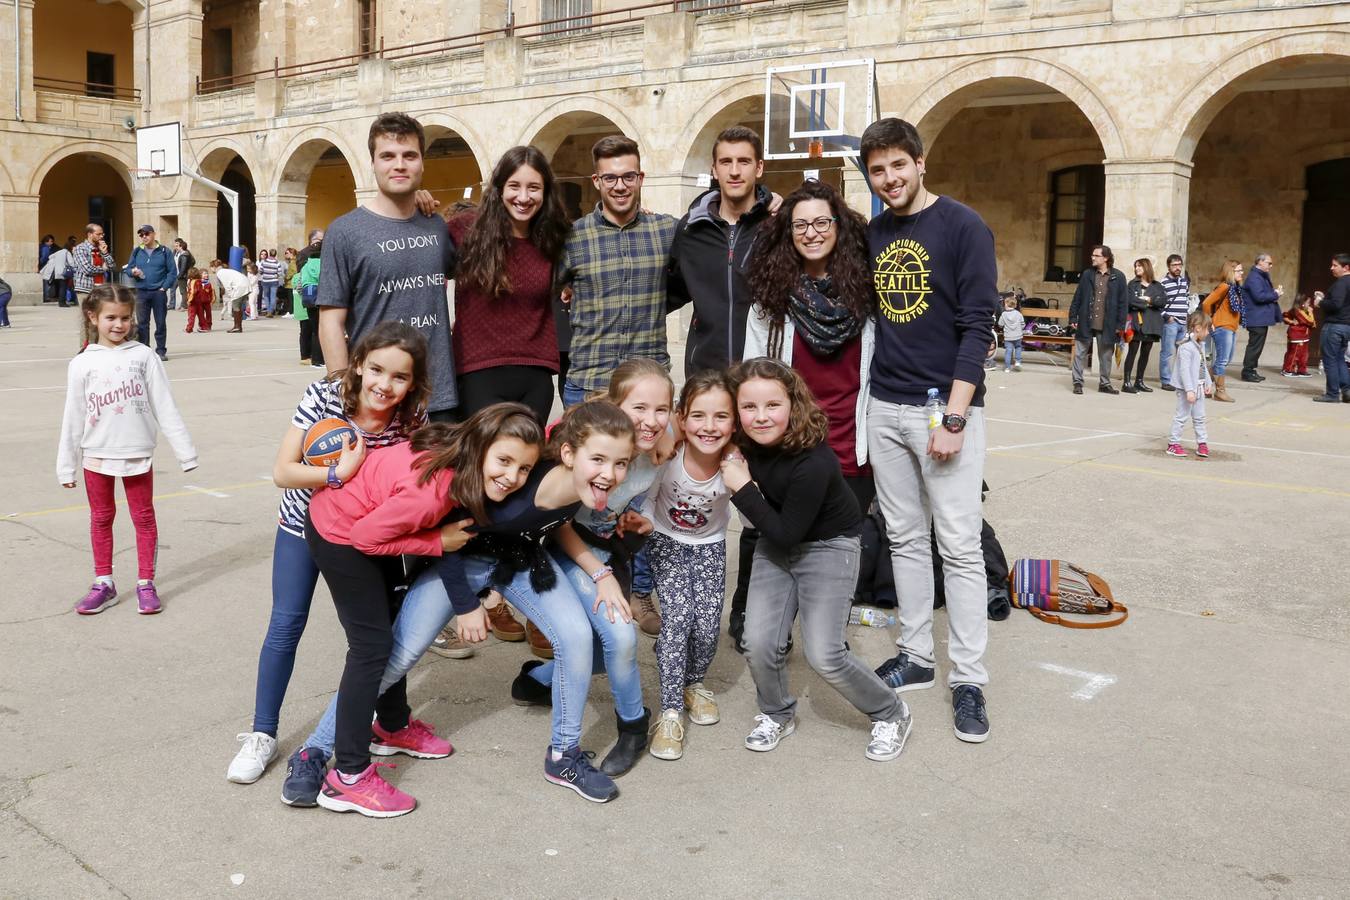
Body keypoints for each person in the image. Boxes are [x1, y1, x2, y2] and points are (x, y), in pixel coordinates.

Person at [285, 400, 637, 808]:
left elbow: (556, 521)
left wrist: (601, 571)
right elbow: (440, 533)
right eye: (599, 460)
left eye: (621, 464)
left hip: (516, 561)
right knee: (396, 656)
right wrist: (467, 603)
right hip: (454, 559)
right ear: (569, 454)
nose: (609, 474)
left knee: (576, 635)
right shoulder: (488, 477)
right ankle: (312, 752)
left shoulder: (582, 482)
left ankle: (565, 755)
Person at [226, 322, 433, 787]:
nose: (384, 384)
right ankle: (262, 733)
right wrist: (339, 472)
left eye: (399, 377)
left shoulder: (411, 416)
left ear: (412, 384)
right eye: (377, 369)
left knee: (379, 631)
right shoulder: (326, 396)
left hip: (362, 537)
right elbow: (283, 472)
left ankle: (391, 724)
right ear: (359, 363)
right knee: (286, 623)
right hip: (302, 526)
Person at [305, 406, 522, 818]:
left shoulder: (457, 460)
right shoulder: (433, 494)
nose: (512, 477)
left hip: (365, 519)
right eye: (504, 461)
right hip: (340, 534)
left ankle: (391, 725)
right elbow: (365, 538)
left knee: (392, 626)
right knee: (371, 649)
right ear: (478, 450)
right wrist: (436, 540)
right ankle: (347, 777)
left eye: (523, 468)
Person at [859, 117, 996, 744]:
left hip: (944, 407)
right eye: (877, 170)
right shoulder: (876, 231)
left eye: (897, 166)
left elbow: (977, 326)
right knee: (905, 538)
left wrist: (956, 416)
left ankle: (968, 678)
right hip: (885, 406)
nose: (888, 180)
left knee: (960, 546)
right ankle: (916, 654)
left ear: (920, 163)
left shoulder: (964, 226)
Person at [722, 358, 913, 761]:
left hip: (829, 544)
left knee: (824, 653)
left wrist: (742, 488)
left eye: (772, 405)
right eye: (748, 407)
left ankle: (891, 712)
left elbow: (785, 532)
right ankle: (777, 712)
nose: (760, 417)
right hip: (779, 541)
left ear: (793, 404)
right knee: (757, 642)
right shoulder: (741, 444)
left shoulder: (814, 461)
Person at [502, 359, 673, 776]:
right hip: (571, 547)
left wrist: (636, 525)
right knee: (620, 638)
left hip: (612, 550)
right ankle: (633, 725)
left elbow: (699, 424)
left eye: (662, 410)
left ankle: (540, 678)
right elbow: (559, 523)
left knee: (603, 651)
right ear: (616, 407)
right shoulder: (595, 447)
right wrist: (601, 574)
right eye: (639, 408)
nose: (651, 421)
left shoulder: (658, 444)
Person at [742, 178, 877, 651]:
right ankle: (769, 633)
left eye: (822, 221)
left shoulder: (865, 294)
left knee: (835, 546)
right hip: (792, 448)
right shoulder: (771, 300)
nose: (812, 232)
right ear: (788, 233)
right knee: (782, 539)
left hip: (850, 444)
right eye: (801, 224)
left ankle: (825, 635)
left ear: (837, 226)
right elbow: (752, 375)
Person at [667, 126, 776, 654]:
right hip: (707, 381)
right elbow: (663, 289)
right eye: (725, 161)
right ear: (714, 168)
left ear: (759, 168)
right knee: (700, 498)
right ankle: (685, 604)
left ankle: (746, 610)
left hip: (761, 385)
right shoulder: (692, 229)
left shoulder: (776, 225)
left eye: (744, 161)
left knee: (757, 500)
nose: (734, 170)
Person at [57, 284, 197, 616]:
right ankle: (103, 583)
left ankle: (146, 583)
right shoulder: (81, 363)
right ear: (93, 317)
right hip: (96, 455)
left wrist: (185, 451)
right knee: (101, 518)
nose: (118, 325)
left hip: (136, 453)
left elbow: (165, 406)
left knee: (144, 517)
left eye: (125, 318)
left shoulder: (143, 356)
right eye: (110, 318)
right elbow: (73, 416)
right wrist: (67, 465)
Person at [319, 113, 459, 421]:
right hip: (376, 398)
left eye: (409, 155)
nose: (399, 164)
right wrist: (342, 388)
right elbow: (331, 319)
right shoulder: (344, 232)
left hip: (439, 397)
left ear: (422, 163)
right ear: (373, 163)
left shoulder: (435, 225)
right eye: (388, 156)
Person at [643, 371, 736, 762]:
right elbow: (646, 497)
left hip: (711, 545)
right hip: (667, 539)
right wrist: (644, 526)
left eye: (721, 417)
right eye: (698, 415)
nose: (709, 427)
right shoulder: (670, 455)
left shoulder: (736, 464)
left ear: (734, 422)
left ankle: (693, 683)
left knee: (709, 621)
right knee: (678, 619)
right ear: (681, 418)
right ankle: (668, 710)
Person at [448, 145, 570, 425]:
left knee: (527, 462)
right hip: (478, 372)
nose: (524, 197)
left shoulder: (555, 238)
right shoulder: (465, 231)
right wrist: (416, 201)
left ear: (546, 192)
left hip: (536, 376)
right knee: (484, 462)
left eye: (534, 188)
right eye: (514, 186)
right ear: (499, 188)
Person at [1068, 245, 1129, 395]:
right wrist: (1073, 317)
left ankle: (1105, 384)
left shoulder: (1118, 276)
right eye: (1092, 255)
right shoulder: (1087, 274)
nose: (1092, 258)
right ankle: (1077, 382)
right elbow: (1078, 297)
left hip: (1108, 323)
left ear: (1106, 258)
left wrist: (1120, 325)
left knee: (1106, 355)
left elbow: (1123, 303)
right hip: (1086, 320)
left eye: (1096, 255)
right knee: (1080, 353)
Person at [1166, 311, 1215, 459]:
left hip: (1198, 387)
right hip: (1188, 389)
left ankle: (1202, 443)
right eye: (1207, 328)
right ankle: (1173, 444)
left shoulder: (1199, 346)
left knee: (1200, 417)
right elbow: (1184, 371)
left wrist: (1208, 382)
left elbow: (1203, 366)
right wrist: (1189, 390)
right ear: (1198, 328)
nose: (1208, 332)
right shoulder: (1186, 347)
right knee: (1181, 416)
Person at [123, 225, 177, 361]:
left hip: (158, 292)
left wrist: (164, 287)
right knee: (142, 323)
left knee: (160, 322)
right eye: (141, 235)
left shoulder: (165, 251)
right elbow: (128, 268)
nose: (144, 237)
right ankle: (144, 350)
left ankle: (160, 350)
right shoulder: (137, 251)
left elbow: (172, 272)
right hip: (141, 291)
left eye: (146, 234)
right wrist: (132, 272)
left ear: (153, 234)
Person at [1200, 259, 1244, 403]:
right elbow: (1206, 303)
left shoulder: (1235, 288)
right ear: (1231, 271)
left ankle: (1202, 385)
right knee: (1222, 360)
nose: (1242, 273)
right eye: (1239, 270)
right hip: (1221, 326)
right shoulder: (1225, 287)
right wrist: (1210, 321)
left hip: (1230, 327)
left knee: (1226, 359)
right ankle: (1220, 391)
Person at [1121, 257, 1167, 393]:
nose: (1137, 269)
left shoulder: (1157, 285)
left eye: (1139, 266)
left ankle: (1139, 381)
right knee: (1132, 352)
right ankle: (1126, 382)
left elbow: (1163, 301)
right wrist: (1147, 303)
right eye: (1135, 266)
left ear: (1147, 267)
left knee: (1145, 353)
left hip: (1151, 324)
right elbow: (1130, 301)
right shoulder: (1132, 284)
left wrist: (1150, 300)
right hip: (1136, 323)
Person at [1312, 252, 1350, 403]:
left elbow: (1336, 304)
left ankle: (1332, 394)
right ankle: (1347, 391)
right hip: (1346, 327)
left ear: (1346, 267)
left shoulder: (1341, 283)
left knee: (1330, 361)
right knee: (1339, 359)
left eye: (1335, 265)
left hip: (1334, 327)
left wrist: (1320, 302)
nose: (1331, 268)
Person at [1240, 253, 1283, 383]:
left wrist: (1274, 294)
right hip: (1256, 318)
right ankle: (1247, 371)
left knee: (1257, 346)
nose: (1271, 265)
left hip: (1260, 318)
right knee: (1254, 346)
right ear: (1260, 262)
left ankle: (1251, 370)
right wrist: (1275, 294)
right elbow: (1259, 297)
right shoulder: (1254, 277)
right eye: (1269, 263)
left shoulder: (1260, 276)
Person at [1158, 254, 1191, 389]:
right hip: (1171, 322)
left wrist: (1187, 312)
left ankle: (1179, 379)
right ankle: (1166, 380)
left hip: (1183, 322)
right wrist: (1167, 317)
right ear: (1169, 266)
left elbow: (1186, 298)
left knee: (1183, 353)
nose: (1177, 268)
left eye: (1179, 265)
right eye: (1174, 265)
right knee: (1167, 352)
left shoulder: (1184, 281)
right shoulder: (1163, 283)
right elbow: (1158, 304)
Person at [296, 243, 325, 369]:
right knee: (322, 331)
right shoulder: (323, 264)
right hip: (320, 298)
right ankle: (319, 360)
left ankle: (314, 359)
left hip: (308, 299)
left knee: (314, 330)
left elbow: (298, 284)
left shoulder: (305, 266)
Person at [73, 223, 114, 307]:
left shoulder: (101, 248)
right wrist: (103, 269)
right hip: (86, 289)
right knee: (88, 317)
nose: (101, 236)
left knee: (100, 317)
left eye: (102, 234)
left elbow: (112, 266)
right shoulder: (80, 248)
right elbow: (87, 269)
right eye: (98, 234)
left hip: (101, 288)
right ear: (89, 234)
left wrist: (105, 253)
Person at [211, 258, 251, 334]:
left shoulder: (220, 272)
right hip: (245, 284)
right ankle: (238, 326)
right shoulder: (225, 270)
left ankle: (237, 327)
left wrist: (231, 295)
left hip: (240, 286)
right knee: (238, 306)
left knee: (235, 306)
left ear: (213, 267)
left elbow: (227, 284)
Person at [1281, 294, 1316, 378]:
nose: (1309, 305)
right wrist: (1291, 322)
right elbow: (1309, 322)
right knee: (1294, 354)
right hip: (1297, 335)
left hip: (1304, 336)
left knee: (1304, 354)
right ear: (1302, 303)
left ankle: (1301, 370)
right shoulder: (1297, 311)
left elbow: (1313, 325)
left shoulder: (1304, 311)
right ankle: (1288, 370)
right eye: (1308, 302)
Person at [40, 239, 75, 308]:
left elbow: (50, 257)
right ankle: (62, 303)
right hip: (64, 272)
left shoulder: (59, 252)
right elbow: (71, 263)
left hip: (57, 272)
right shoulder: (67, 252)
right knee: (63, 287)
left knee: (60, 287)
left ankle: (61, 302)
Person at [996, 295, 1025, 372]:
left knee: (1008, 351)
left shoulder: (1004, 314)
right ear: (1015, 305)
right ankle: (1018, 362)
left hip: (1008, 337)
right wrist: (1020, 329)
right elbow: (1023, 324)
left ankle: (1007, 368)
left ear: (1006, 305)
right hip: (1018, 336)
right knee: (1018, 348)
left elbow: (1000, 324)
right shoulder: (1018, 314)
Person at [183, 267, 212, 333]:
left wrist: (189, 300)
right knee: (201, 315)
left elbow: (193, 292)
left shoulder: (193, 281)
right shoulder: (199, 281)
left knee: (191, 316)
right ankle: (204, 327)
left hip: (193, 302)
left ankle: (189, 328)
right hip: (199, 302)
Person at [170, 238, 194, 311]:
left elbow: (186, 265)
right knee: (173, 289)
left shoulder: (185, 254)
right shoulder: (175, 252)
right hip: (176, 274)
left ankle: (184, 306)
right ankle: (173, 305)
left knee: (183, 291)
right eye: (175, 244)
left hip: (181, 275)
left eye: (177, 245)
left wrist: (187, 269)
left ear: (181, 245)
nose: (175, 246)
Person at [258, 249, 284, 317]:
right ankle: (270, 311)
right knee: (273, 296)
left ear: (269, 254)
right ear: (275, 254)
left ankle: (268, 311)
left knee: (266, 296)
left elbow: (260, 271)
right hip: (274, 281)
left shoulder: (264, 262)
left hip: (265, 281)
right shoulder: (277, 262)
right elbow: (279, 273)